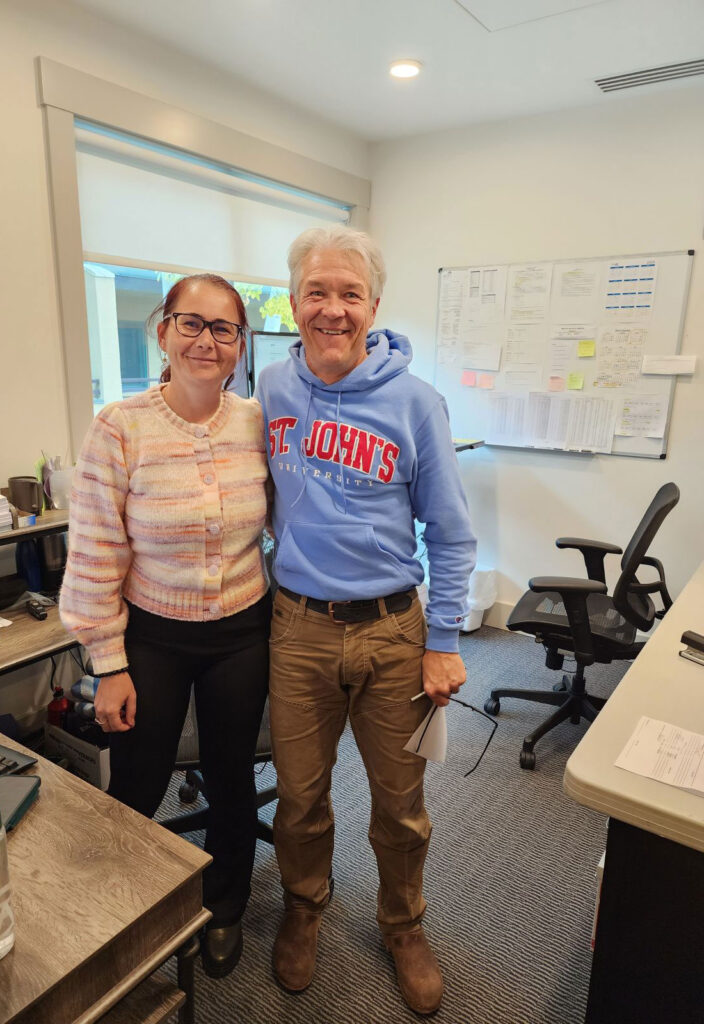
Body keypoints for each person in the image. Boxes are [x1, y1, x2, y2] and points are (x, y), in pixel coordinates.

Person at [255, 225, 476, 1015]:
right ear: (293, 301)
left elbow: (451, 532)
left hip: (392, 633)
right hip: (300, 628)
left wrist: (445, 640)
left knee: (399, 802)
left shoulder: (417, 403)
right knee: (301, 795)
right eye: (317, 291)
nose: (333, 309)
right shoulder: (272, 392)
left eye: (350, 294)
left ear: (374, 304)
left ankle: (403, 924)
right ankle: (305, 909)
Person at [59, 273, 271, 978]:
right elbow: (95, 550)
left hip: (242, 629)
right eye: (192, 323)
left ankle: (225, 903)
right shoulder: (121, 427)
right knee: (141, 778)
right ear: (163, 331)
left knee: (231, 773)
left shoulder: (255, 423)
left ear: (240, 345)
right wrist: (107, 663)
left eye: (224, 328)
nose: (207, 340)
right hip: (152, 633)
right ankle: (123, 906)